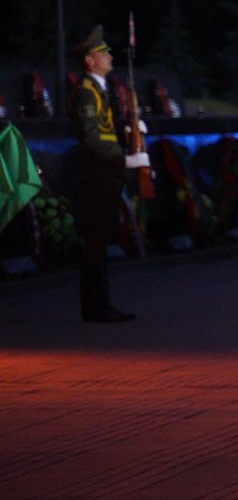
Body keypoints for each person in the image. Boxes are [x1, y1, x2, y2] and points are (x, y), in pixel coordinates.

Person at [67, 26, 149, 322]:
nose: (109, 55)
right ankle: (93, 307)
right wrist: (125, 160)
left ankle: (101, 304)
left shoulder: (99, 90)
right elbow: (90, 139)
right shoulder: (86, 93)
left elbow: (106, 132)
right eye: (103, 52)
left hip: (107, 174)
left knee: (101, 242)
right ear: (90, 60)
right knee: (96, 243)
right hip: (99, 175)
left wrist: (130, 134)